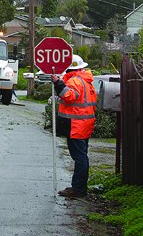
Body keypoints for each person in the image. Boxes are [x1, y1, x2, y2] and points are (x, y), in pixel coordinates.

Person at [51, 54, 97, 199]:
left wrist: (58, 83)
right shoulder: (86, 80)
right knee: (81, 156)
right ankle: (78, 187)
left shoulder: (75, 81)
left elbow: (69, 96)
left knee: (79, 157)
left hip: (76, 124)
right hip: (84, 123)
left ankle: (78, 189)